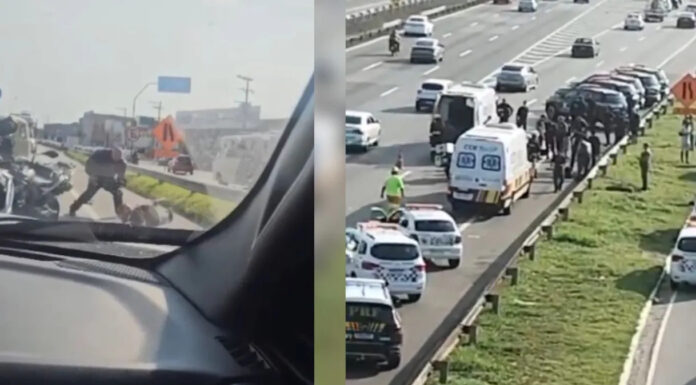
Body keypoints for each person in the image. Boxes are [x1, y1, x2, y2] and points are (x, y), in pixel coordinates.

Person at [69, 147, 127, 217]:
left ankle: (120, 214)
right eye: (116, 156)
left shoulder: (122, 163)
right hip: (96, 177)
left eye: (119, 157)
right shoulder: (100, 154)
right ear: (112, 153)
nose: (117, 159)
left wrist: (121, 182)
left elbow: (121, 176)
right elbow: (88, 165)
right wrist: (91, 175)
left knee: (118, 193)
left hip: (109, 179)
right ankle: (73, 208)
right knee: (88, 194)